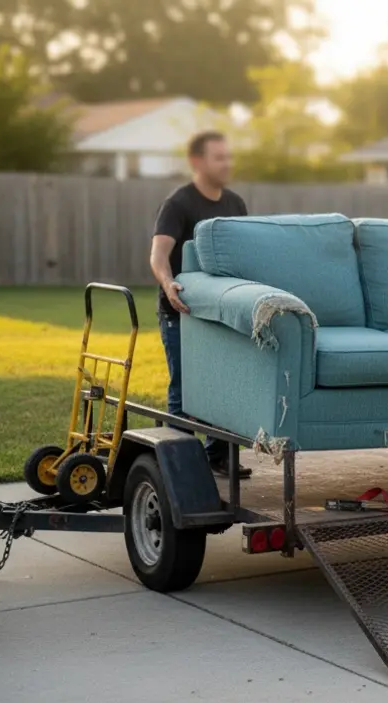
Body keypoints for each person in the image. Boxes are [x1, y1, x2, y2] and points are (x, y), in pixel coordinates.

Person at [149, 130, 251, 478]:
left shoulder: (235, 203)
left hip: (220, 312)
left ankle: (218, 457)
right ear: (197, 161)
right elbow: (158, 255)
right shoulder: (178, 203)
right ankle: (179, 467)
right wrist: (167, 283)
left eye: (228, 156)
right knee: (184, 389)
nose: (227, 163)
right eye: (218, 157)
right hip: (182, 313)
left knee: (226, 383)